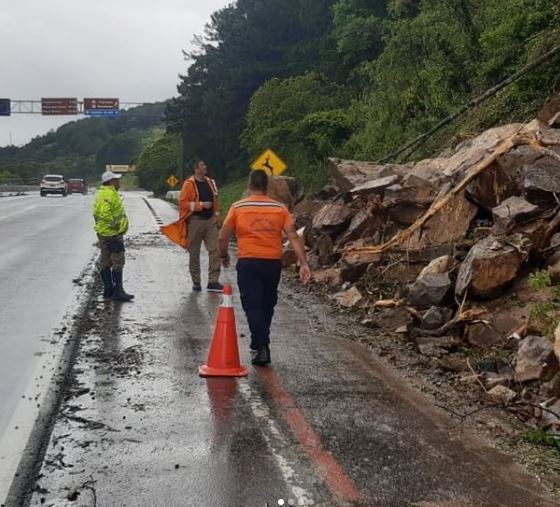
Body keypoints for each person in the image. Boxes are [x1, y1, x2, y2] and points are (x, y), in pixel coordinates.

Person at [219, 169, 311, 366]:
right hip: (272, 263)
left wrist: (224, 255)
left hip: (248, 262)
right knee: (268, 303)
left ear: (249, 185)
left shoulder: (238, 207)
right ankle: (259, 342)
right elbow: (293, 236)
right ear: (267, 186)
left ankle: (262, 346)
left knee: (253, 304)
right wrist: (303, 263)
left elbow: (223, 235)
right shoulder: (280, 209)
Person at [179, 160, 223, 292]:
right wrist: (201, 205)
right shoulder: (189, 184)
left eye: (205, 165)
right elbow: (183, 204)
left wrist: (217, 217)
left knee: (215, 250)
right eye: (203, 165)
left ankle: (213, 281)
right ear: (196, 169)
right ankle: (196, 281)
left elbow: (216, 200)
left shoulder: (211, 182)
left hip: (210, 221)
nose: (206, 167)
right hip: (195, 221)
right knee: (194, 252)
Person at [93, 171, 134, 302]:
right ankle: (118, 291)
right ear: (111, 182)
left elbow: (96, 213)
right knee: (118, 261)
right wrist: (116, 226)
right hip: (113, 234)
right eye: (117, 180)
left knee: (105, 261)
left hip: (102, 233)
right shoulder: (110, 194)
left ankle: (108, 290)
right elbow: (105, 214)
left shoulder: (100, 193)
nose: (119, 182)